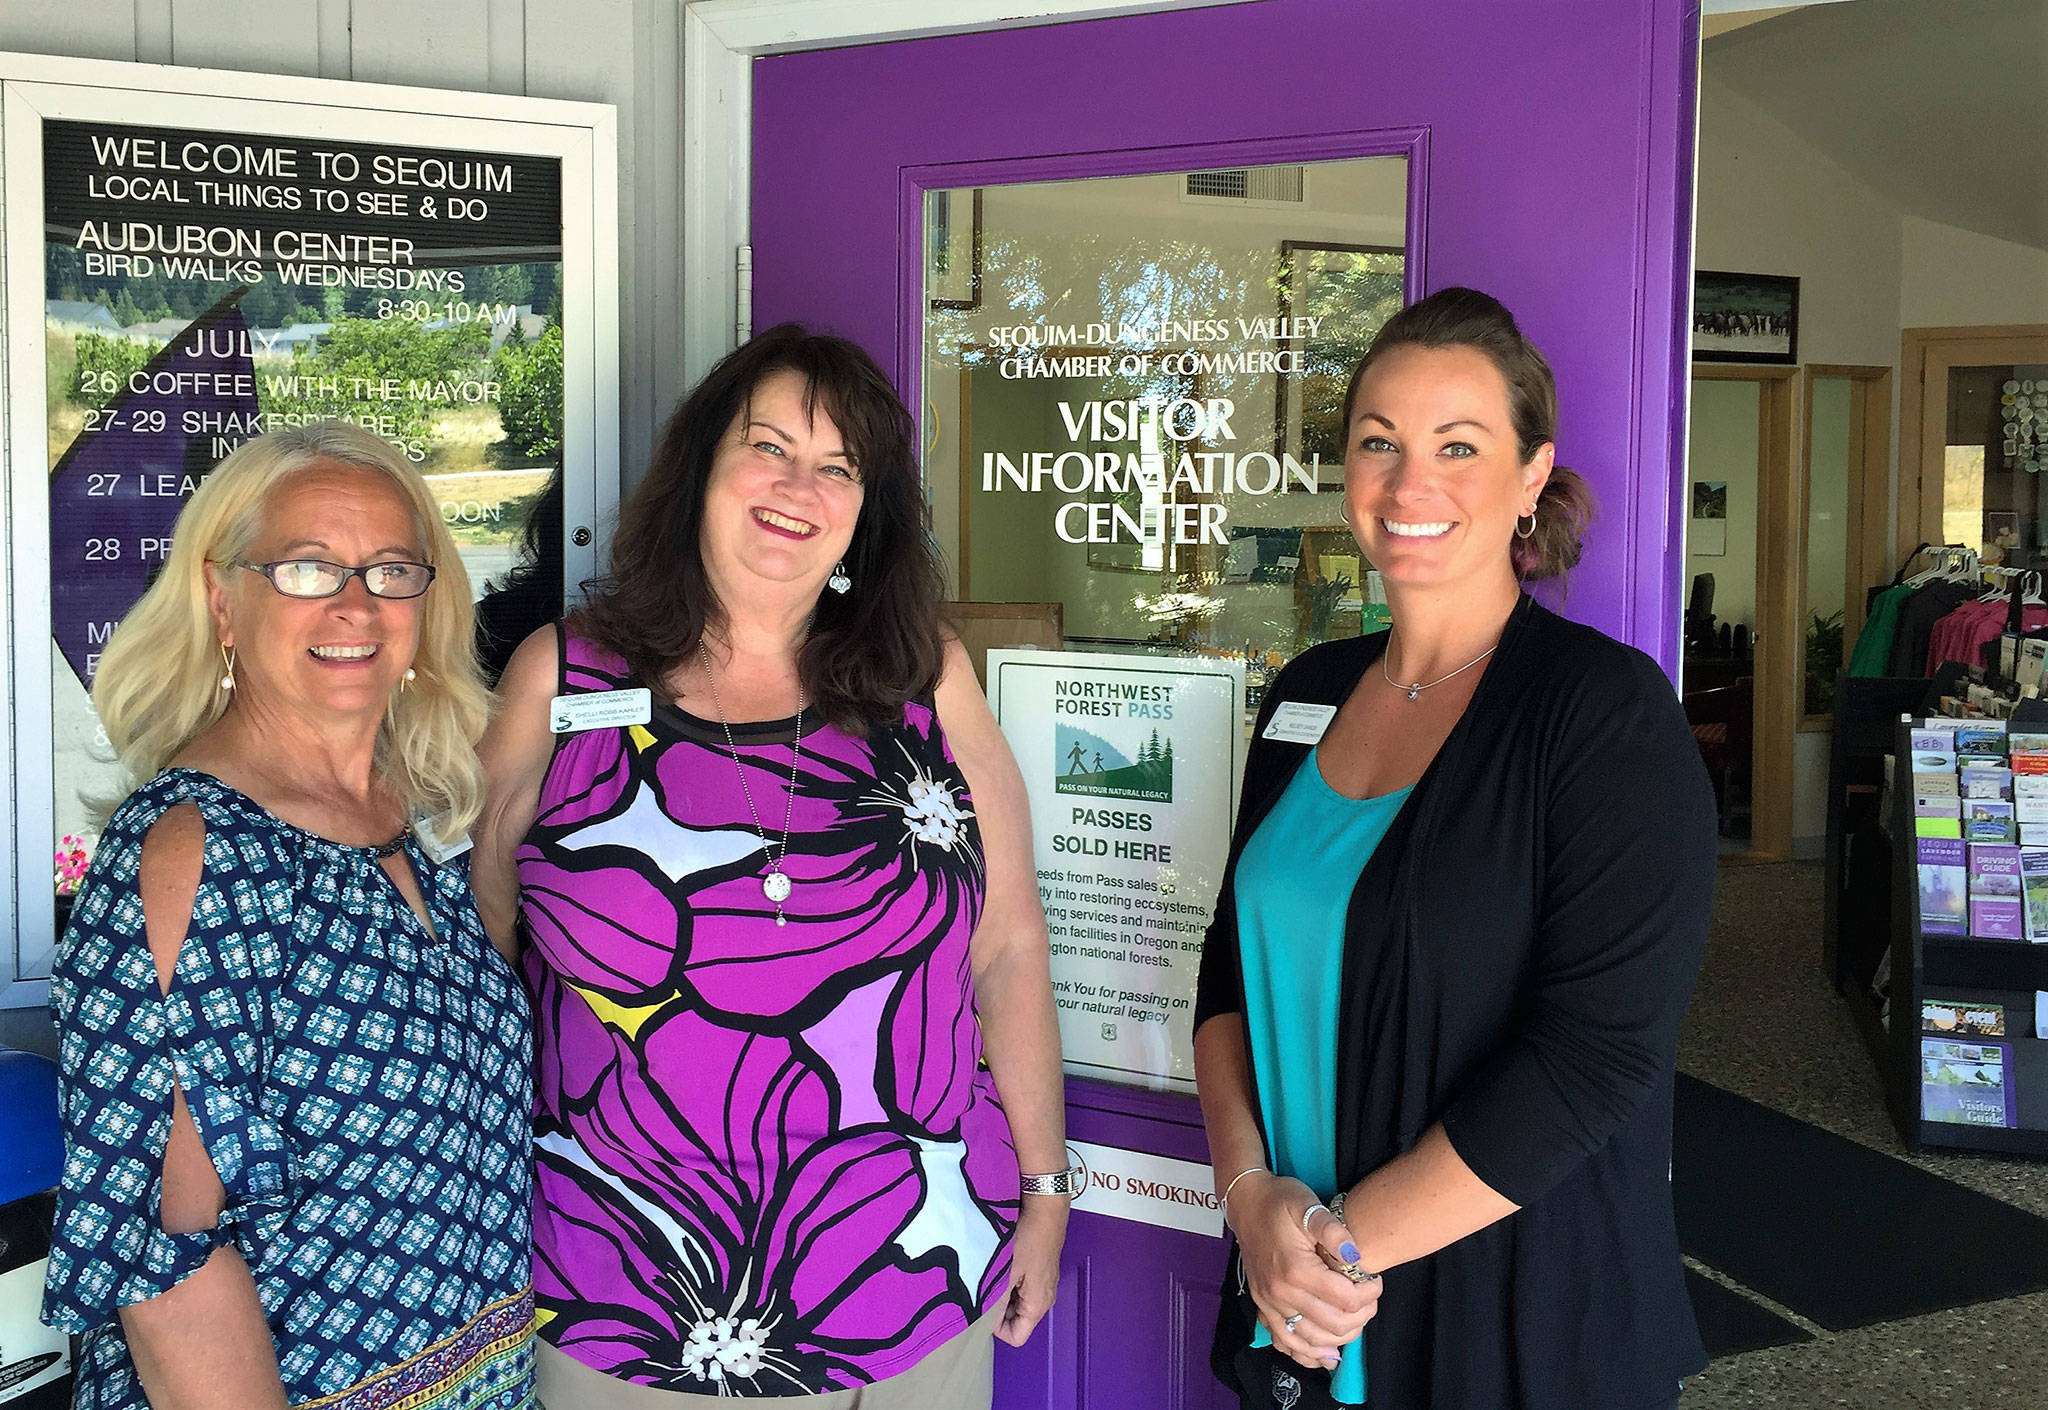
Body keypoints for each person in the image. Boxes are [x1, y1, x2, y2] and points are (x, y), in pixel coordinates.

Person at [473, 324, 1070, 1406]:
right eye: (770, 447)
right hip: (624, 1299)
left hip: (909, 1286)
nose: (799, 486)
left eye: (838, 467)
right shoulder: (563, 675)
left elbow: (1008, 947)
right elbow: (485, 948)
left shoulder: (923, 676)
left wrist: (1044, 1188)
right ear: (702, 463)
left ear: (865, 511)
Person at [1193, 288, 1715, 1410]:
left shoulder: (1601, 714)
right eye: (1377, 443)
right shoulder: (1304, 696)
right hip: (1298, 1314)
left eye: (1457, 446)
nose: (1407, 482)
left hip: (1507, 1321)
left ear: (1531, 474)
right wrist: (1248, 1205)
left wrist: (1330, 1254)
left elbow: (1595, 1060)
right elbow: (1224, 975)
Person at [42, 422, 536, 1410]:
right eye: (307, 569)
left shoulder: (416, 810)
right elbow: (169, 1267)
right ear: (222, 599)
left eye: (392, 568)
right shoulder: (193, 853)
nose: (357, 604)